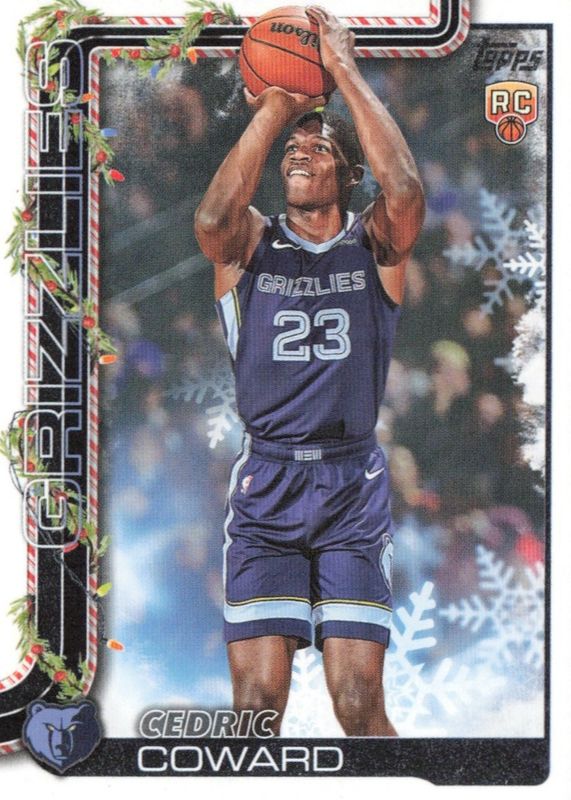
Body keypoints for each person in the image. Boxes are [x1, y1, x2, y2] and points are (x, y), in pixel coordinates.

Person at [194, 6, 424, 736]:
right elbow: (210, 220)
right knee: (257, 708)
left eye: (318, 148)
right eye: (292, 150)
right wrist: (277, 106)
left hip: (350, 487)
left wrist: (342, 68)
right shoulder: (248, 243)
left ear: (349, 175)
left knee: (356, 704)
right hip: (267, 486)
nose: (299, 155)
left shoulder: (375, 245)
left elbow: (405, 191)